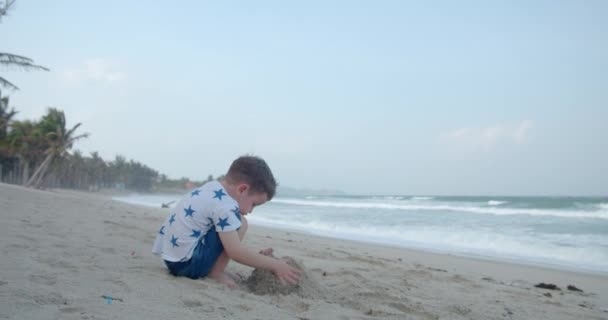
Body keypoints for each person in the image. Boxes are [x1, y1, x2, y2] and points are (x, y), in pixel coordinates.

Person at [152, 155, 301, 288]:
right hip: (187, 266)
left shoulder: (210, 187)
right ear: (242, 189)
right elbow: (235, 252)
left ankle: (213, 269)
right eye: (254, 204)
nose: (251, 211)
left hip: (171, 259)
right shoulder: (225, 206)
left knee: (233, 222)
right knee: (241, 222)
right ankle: (216, 272)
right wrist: (275, 265)